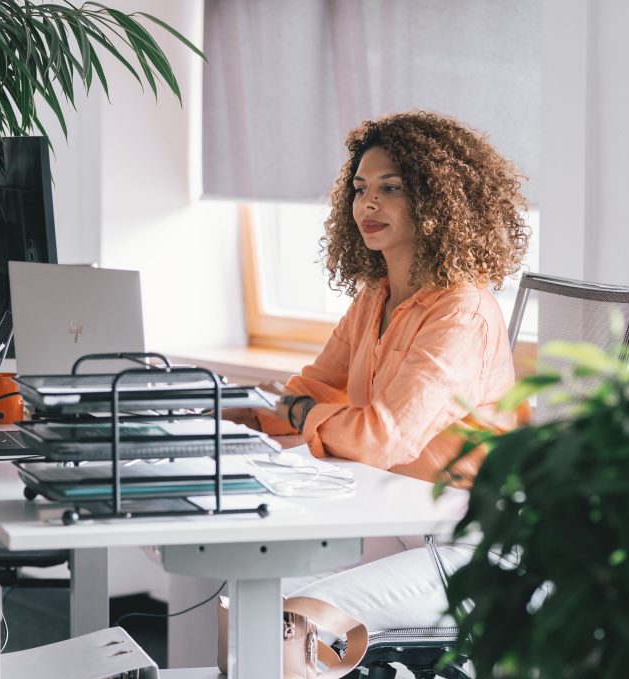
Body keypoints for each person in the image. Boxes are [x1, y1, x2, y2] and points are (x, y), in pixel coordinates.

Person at [227, 110, 531, 636]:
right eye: (361, 188)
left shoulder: (460, 312)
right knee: (245, 594)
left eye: (390, 189)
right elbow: (311, 390)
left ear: (436, 201)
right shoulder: (376, 296)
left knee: (289, 623)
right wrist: (226, 416)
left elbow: (379, 439)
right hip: (400, 518)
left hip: (472, 542)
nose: (368, 203)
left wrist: (298, 412)